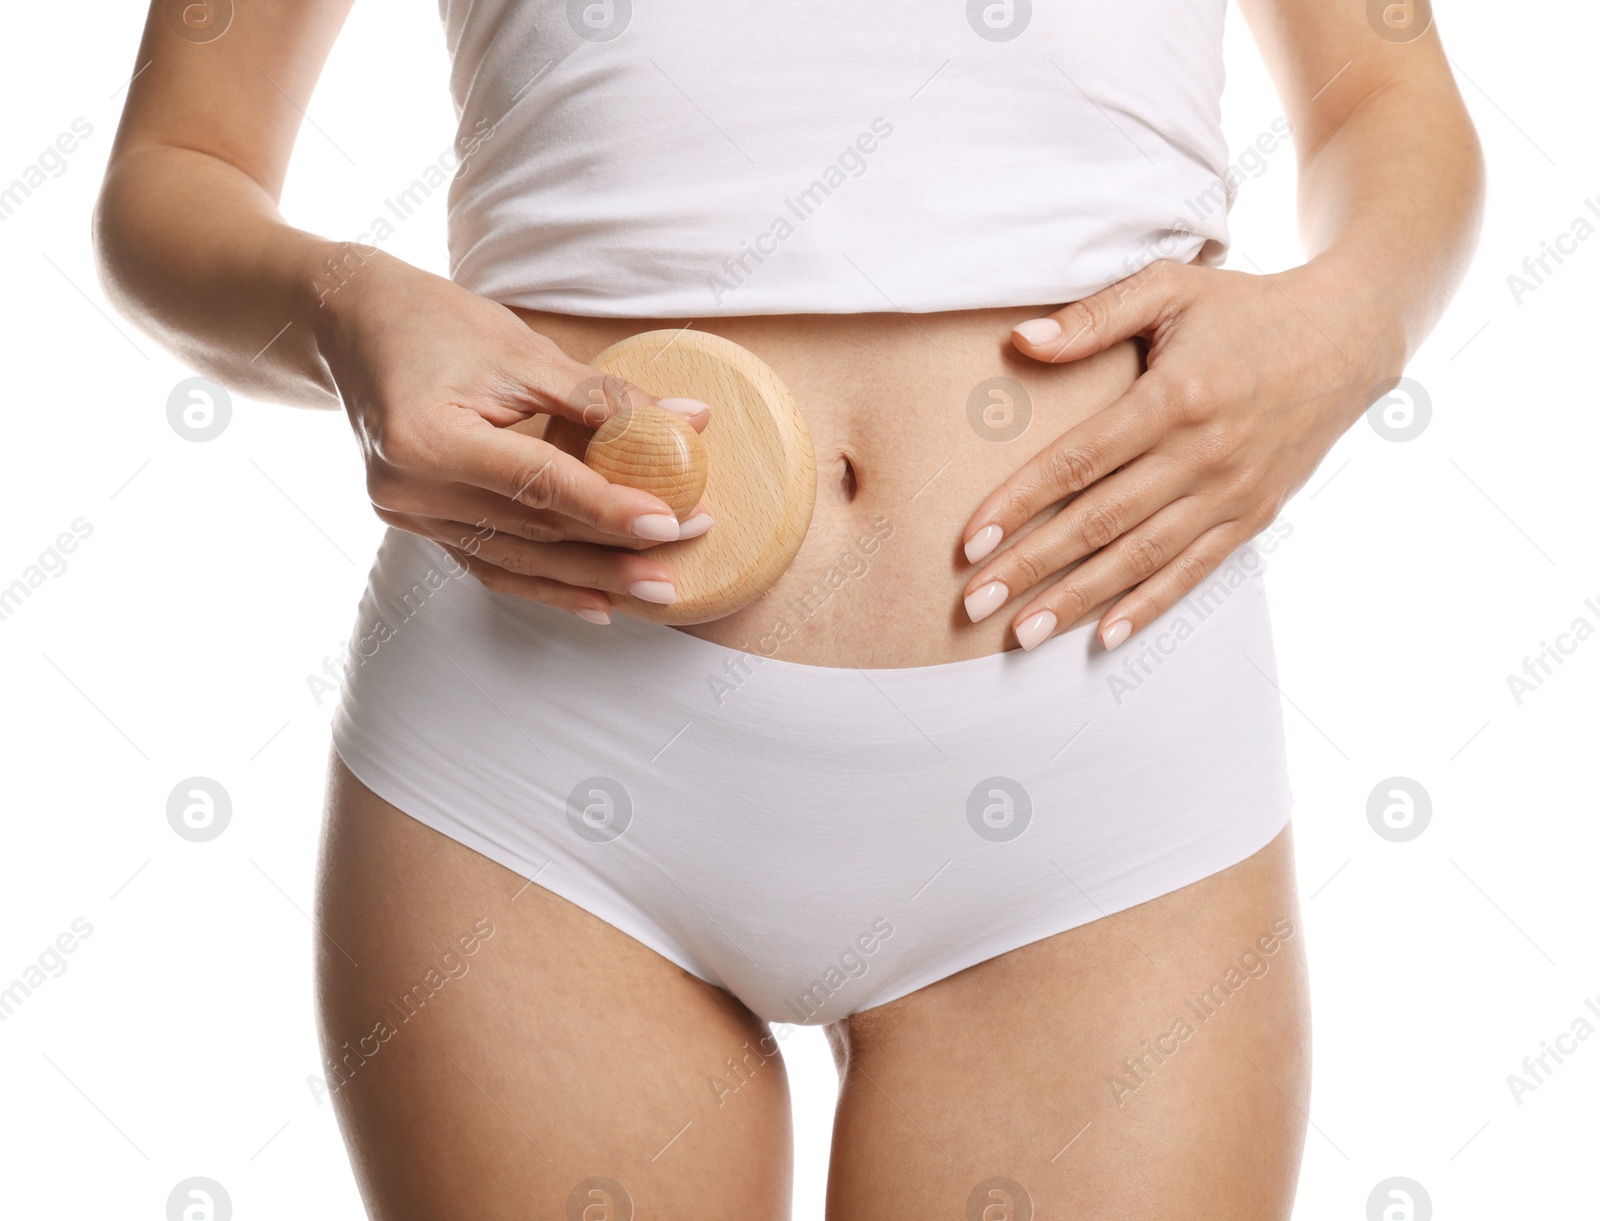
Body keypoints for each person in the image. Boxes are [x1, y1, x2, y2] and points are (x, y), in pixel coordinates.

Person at [94, 0, 1482, 1216]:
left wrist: (1350, 321)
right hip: (537, 767)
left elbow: (1385, 96)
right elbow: (177, 169)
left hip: (1098, 755)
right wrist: (345, 307)